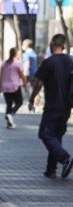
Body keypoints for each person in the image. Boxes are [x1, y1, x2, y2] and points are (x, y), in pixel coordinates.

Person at [29, 34, 73, 179]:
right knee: (56, 136)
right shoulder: (70, 61)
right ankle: (51, 169)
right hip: (67, 106)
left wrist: (32, 98)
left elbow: (39, 83)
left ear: (53, 43)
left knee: (45, 134)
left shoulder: (49, 62)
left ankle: (65, 158)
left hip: (53, 106)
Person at [0, 47, 30, 129]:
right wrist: (26, 85)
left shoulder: (4, 63)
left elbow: (0, 76)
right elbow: (22, 75)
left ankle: (9, 121)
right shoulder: (17, 63)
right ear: (16, 54)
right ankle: (10, 114)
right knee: (19, 102)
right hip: (15, 86)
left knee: (8, 104)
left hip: (5, 87)